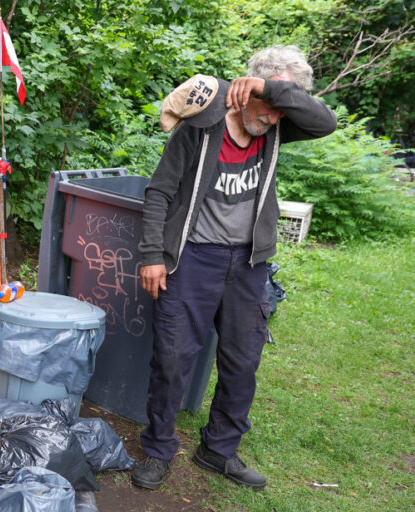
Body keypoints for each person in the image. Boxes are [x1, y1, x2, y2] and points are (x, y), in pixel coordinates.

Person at [132, 45, 337, 491]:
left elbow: (325, 120)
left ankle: (218, 450)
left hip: (248, 264)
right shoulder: (200, 129)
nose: (274, 117)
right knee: (172, 359)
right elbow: (159, 192)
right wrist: (152, 256)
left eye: (284, 106)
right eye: (270, 106)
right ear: (245, 93)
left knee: (242, 362)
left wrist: (272, 91)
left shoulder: (277, 127)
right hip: (193, 261)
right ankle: (158, 449)